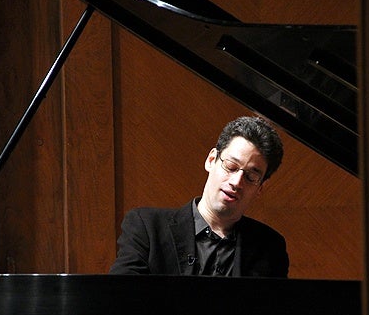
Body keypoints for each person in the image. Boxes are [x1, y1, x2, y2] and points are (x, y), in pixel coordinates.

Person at [109, 116, 288, 277]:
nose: (236, 182)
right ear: (211, 160)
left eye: (251, 177)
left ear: (260, 188)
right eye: (231, 167)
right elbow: (121, 298)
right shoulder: (146, 226)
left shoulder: (271, 247)